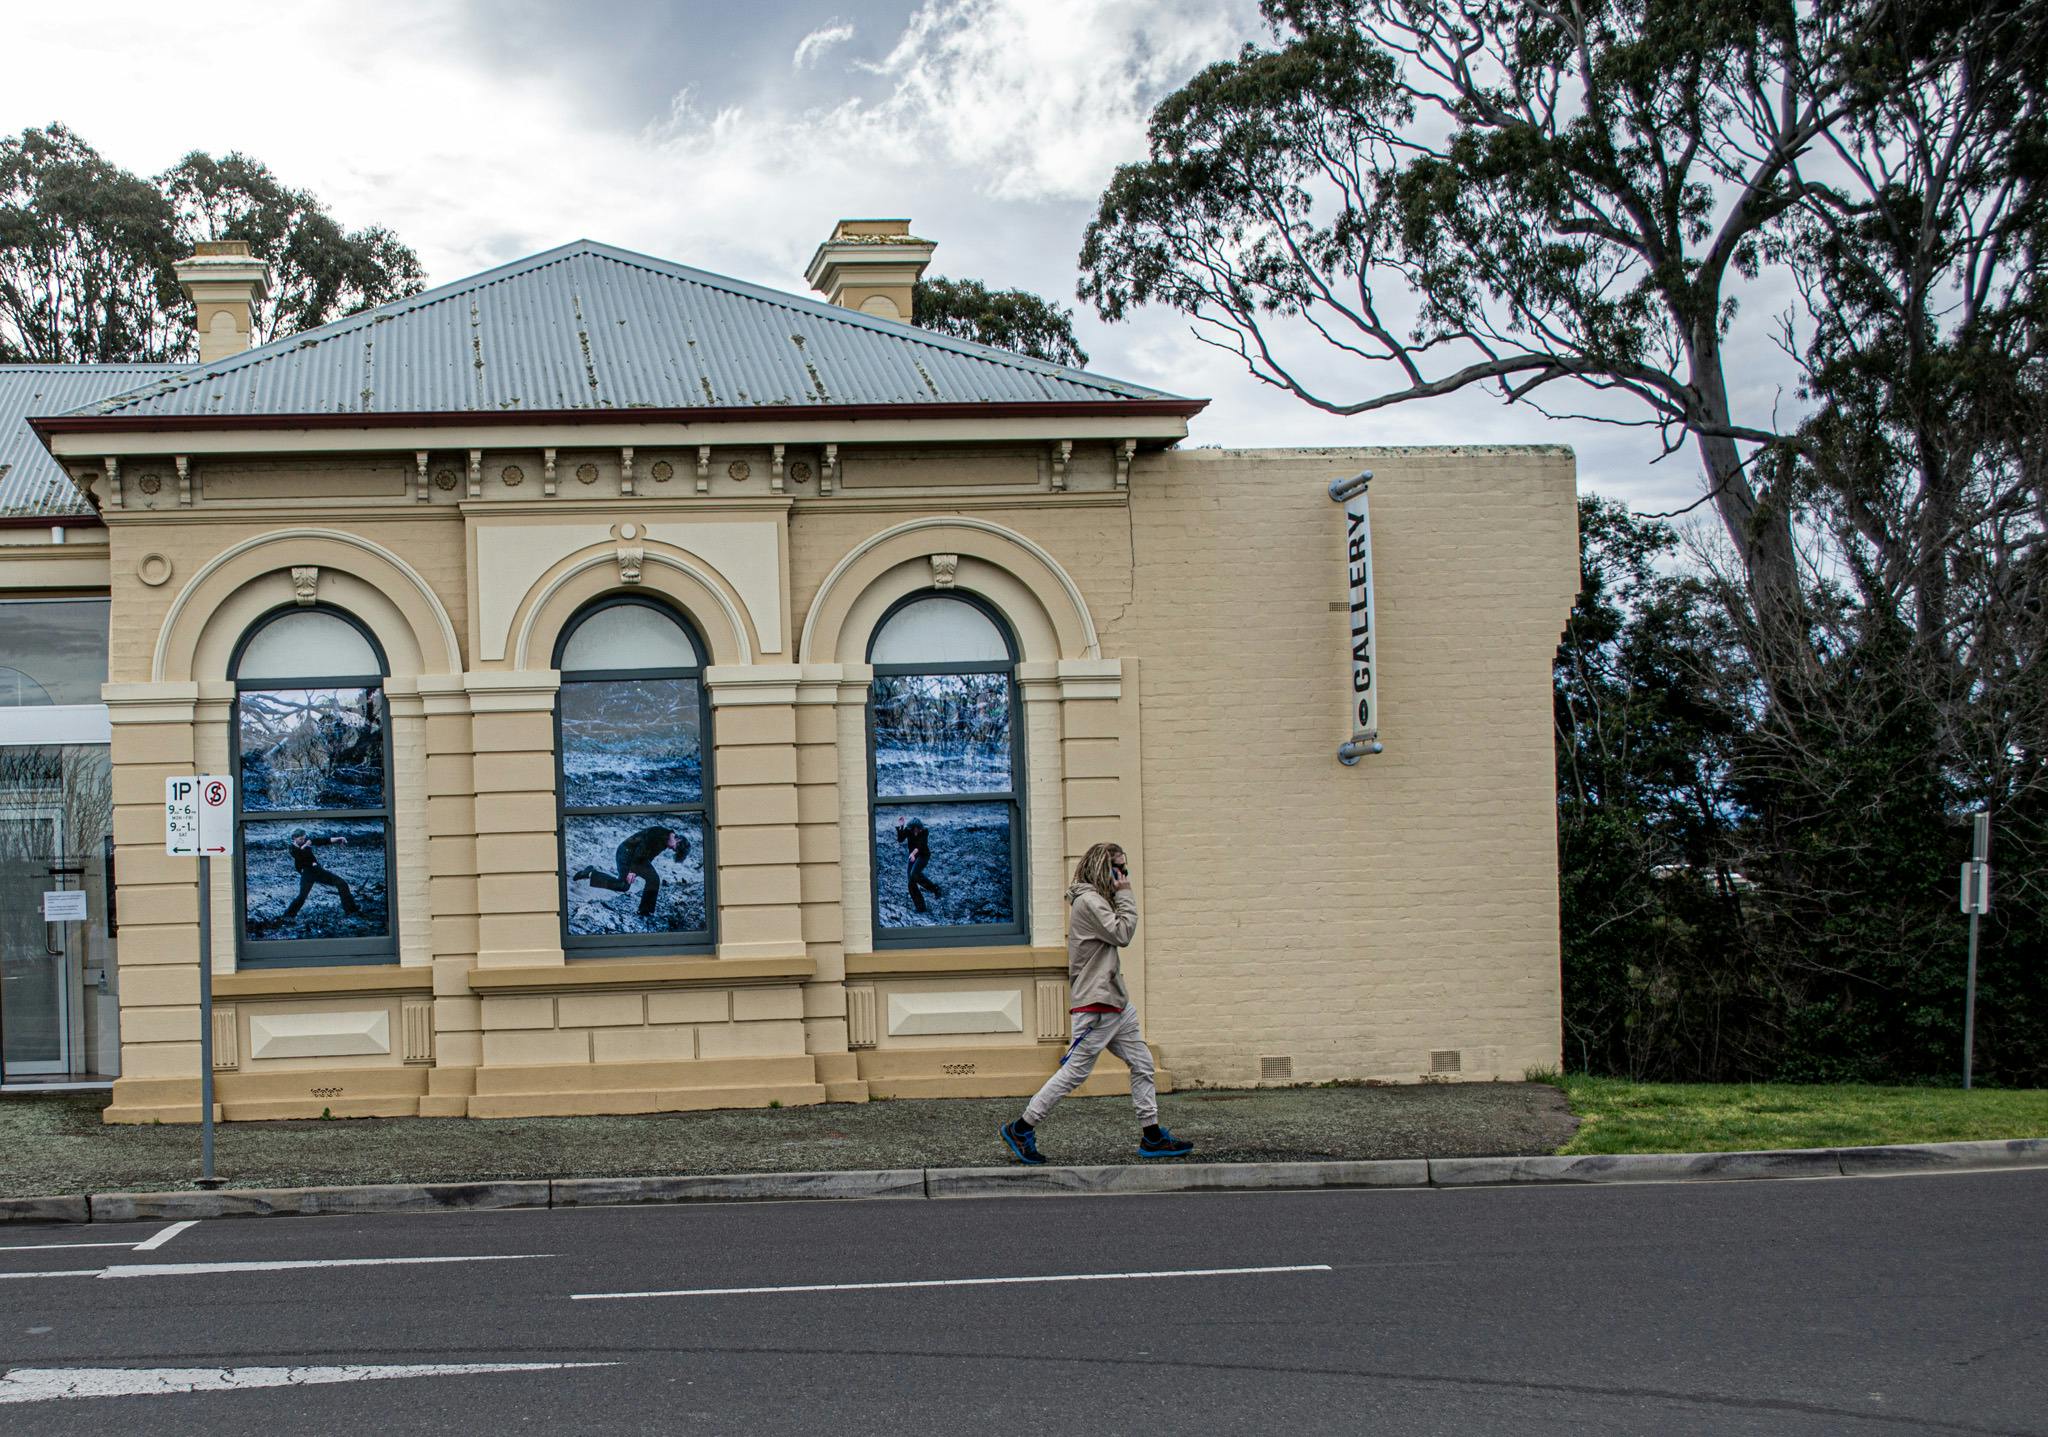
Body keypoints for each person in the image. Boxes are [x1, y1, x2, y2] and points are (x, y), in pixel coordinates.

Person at [999, 841, 1193, 1163]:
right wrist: (1126, 893)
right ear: (1104, 868)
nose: (1123, 874)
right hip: (1097, 1006)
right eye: (1119, 868)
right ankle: (1022, 1127)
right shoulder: (1089, 901)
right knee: (1075, 1073)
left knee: (1143, 1064)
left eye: (1125, 869)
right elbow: (1123, 933)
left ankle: (1152, 1136)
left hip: (1115, 1001)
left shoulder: (1095, 900)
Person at [575, 825, 687, 918]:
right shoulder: (659, 833)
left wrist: (642, 870)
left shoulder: (665, 842)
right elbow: (639, 850)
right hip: (626, 853)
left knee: (653, 879)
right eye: (676, 848)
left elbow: (649, 856)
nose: (673, 850)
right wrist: (632, 871)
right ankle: (590, 873)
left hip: (638, 858)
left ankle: (645, 911)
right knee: (623, 885)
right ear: (678, 839)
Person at [277, 829, 361, 921]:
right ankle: (288, 916)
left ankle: (351, 910)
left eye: (304, 839)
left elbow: (322, 840)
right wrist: (306, 845)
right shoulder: (292, 848)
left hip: (318, 871)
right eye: (301, 839)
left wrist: (339, 839)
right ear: (294, 838)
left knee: (342, 883)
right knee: (302, 896)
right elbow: (300, 855)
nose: (303, 841)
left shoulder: (305, 843)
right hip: (307, 873)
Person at [894, 816, 943, 913]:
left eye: (918, 830)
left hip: (923, 855)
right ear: (912, 828)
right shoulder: (908, 831)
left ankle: (935, 889)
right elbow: (900, 839)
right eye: (915, 830)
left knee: (914, 874)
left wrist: (912, 853)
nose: (917, 832)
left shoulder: (925, 831)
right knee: (911, 882)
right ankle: (921, 907)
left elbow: (920, 845)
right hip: (913, 857)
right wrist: (901, 826)